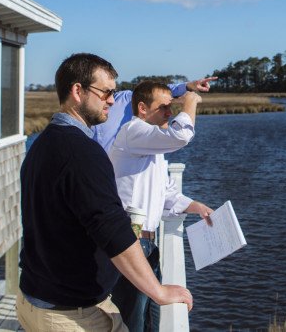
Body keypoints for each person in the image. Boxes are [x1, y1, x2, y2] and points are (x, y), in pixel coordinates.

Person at [18, 53, 193, 332]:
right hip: (68, 314)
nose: (112, 100)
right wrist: (158, 292)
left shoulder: (42, 144)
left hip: (37, 299)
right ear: (78, 91)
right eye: (106, 92)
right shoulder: (82, 152)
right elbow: (113, 231)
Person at [108, 82, 214, 332]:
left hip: (145, 244)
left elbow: (165, 193)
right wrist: (189, 102)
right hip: (131, 242)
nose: (170, 113)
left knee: (147, 319)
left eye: (171, 107)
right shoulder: (133, 131)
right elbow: (181, 136)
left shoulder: (150, 144)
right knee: (131, 320)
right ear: (142, 108)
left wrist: (196, 206)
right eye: (164, 107)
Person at [92, 76, 217, 152]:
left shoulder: (125, 99)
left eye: (110, 90)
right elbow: (181, 137)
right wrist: (191, 101)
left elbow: (154, 94)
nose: (110, 100)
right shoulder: (136, 133)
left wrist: (189, 86)